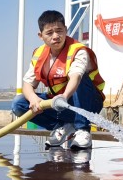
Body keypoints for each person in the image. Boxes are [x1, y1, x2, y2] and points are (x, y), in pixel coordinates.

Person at [12, 10, 105, 149]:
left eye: (59, 31)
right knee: (18, 104)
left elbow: (76, 77)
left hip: (89, 104)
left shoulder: (78, 50)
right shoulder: (39, 54)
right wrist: (33, 99)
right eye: (49, 33)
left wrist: (64, 96)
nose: (55, 36)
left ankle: (83, 130)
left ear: (66, 30)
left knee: (80, 78)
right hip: (60, 104)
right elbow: (27, 84)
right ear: (41, 36)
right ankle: (61, 126)